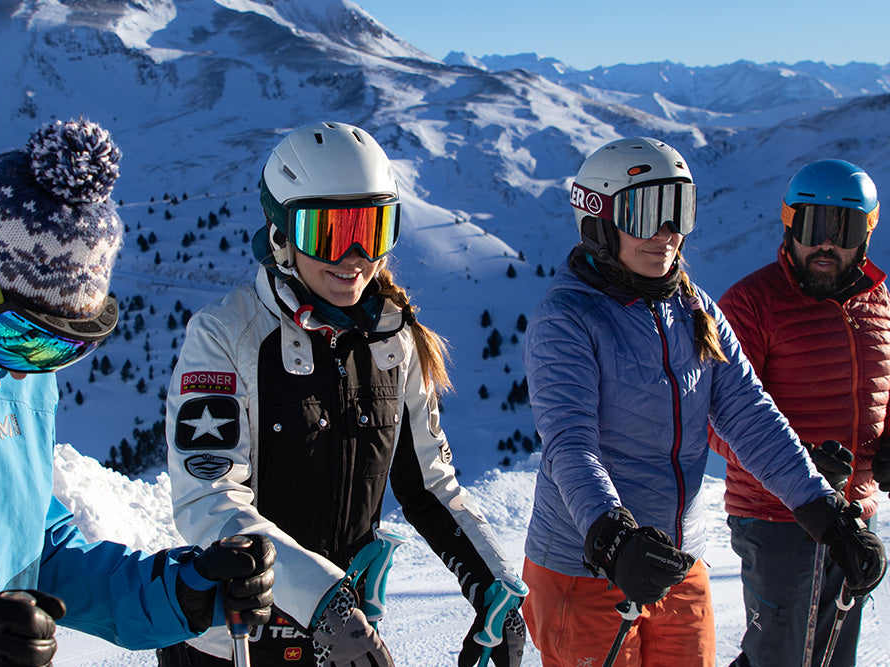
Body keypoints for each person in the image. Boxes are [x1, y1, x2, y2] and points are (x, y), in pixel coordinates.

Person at [0, 119, 275, 667]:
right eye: (20, 337)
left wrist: (177, 593)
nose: (26, 374)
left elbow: (37, 551)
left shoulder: (5, 374)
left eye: (58, 350)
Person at [161, 121, 527, 667]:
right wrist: (323, 602)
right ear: (281, 234)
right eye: (329, 232)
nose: (354, 254)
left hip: (345, 637)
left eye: (372, 229)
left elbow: (428, 483)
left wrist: (491, 582)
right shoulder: (225, 336)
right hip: (232, 641)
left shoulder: (393, 342)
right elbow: (209, 501)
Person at [521, 137, 886, 667]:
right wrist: (611, 536)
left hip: (675, 562)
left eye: (679, 212)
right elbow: (570, 446)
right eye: (647, 212)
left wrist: (825, 512)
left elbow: (750, 415)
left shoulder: (694, 310)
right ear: (597, 219)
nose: (667, 233)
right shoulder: (568, 320)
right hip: (585, 566)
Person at [708, 159, 890, 667]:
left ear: (867, 234)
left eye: (844, 228)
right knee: (778, 657)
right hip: (778, 519)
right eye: (813, 226)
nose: (826, 245)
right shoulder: (751, 304)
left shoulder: (878, 302)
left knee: (834, 655)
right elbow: (716, 417)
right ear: (790, 225)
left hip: (854, 514)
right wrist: (798, 463)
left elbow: (884, 389)